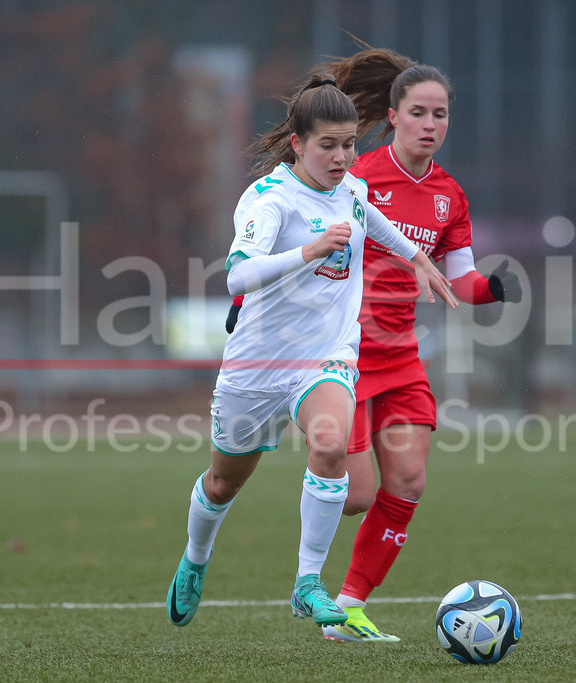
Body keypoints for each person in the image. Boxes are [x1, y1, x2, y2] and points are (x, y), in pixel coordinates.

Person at [166, 72, 457, 631]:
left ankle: (307, 584)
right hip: (256, 366)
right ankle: (196, 559)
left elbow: (373, 220)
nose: (342, 156)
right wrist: (308, 250)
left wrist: (416, 258)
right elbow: (238, 277)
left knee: (329, 442)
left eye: (349, 144)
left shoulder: (353, 189)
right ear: (298, 143)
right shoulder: (268, 199)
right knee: (223, 483)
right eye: (328, 145)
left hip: (324, 358)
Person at [312, 48, 524, 643]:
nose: (431, 125)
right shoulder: (353, 179)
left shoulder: (448, 197)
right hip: (342, 353)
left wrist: (493, 289)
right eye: (419, 113)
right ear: (393, 115)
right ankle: (310, 564)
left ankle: (348, 609)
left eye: (441, 114)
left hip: (400, 353)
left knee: (406, 482)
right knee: (354, 495)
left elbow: (458, 280)